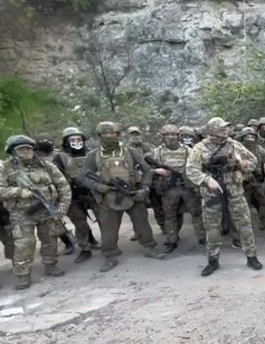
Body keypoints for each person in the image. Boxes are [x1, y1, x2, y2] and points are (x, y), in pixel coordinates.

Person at [78, 122, 165, 272]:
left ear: (118, 134)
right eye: (106, 133)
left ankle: (150, 247)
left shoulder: (129, 151)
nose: (109, 136)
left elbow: (146, 170)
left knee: (142, 224)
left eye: (112, 133)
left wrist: (144, 188)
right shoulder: (93, 156)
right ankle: (109, 255)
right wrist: (98, 187)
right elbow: (83, 177)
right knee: (108, 229)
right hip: (108, 197)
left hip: (132, 193)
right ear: (100, 136)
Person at [185, 117, 264, 276]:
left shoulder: (234, 145)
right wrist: (207, 180)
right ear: (212, 130)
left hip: (235, 192)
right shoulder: (200, 148)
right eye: (221, 128)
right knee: (212, 229)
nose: (225, 130)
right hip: (212, 193)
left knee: (244, 225)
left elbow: (253, 162)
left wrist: (240, 163)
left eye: (226, 128)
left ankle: (252, 257)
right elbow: (191, 169)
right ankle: (212, 261)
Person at [0, 135, 72, 290]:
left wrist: (62, 208)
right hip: (21, 212)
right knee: (23, 244)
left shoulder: (46, 166)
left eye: (28, 148)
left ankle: (50, 264)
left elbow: (63, 186)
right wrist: (19, 192)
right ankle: (23, 275)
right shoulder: (5, 168)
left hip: (47, 208)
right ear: (12, 151)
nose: (26, 151)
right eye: (21, 149)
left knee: (50, 239)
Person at [148, 124, 206, 252]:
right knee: (170, 215)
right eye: (168, 135)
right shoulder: (157, 152)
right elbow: (148, 169)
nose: (171, 137)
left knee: (197, 213)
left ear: (178, 136)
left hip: (187, 187)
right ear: (163, 136)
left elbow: (197, 166)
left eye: (174, 134)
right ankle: (172, 240)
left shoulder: (187, 150)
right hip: (169, 189)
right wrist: (157, 171)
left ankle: (202, 237)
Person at [52, 127, 100, 264]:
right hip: (73, 195)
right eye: (72, 139)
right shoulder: (60, 157)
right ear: (66, 141)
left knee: (104, 220)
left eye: (79, 139)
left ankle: (109, 247)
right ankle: (85, 249)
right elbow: (56, 177)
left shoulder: (92, 153)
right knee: (80, 224)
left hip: (94, 192)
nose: (76, 141)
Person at [238, 126, 265, 242]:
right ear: (242, 138)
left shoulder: (261, 151)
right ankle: (242, 237)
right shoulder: (237, 150)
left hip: (259, 184)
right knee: (241, 212)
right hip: (242, 185)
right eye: (247, 137)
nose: (250, 139)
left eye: (252, 137)